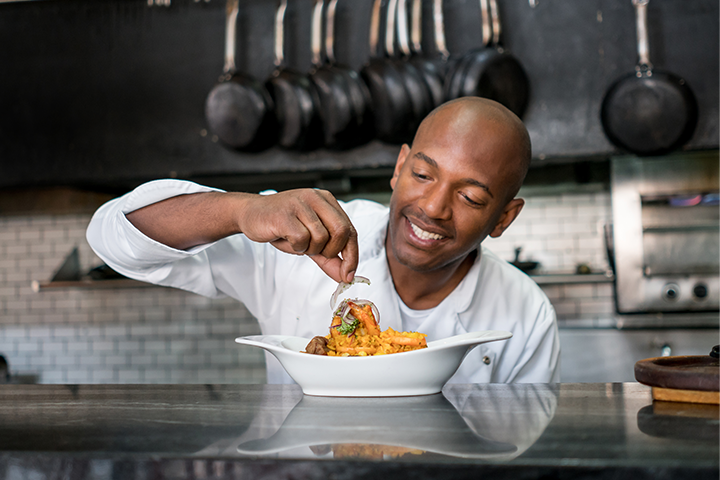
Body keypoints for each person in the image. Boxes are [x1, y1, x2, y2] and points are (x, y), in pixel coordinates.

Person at [86, 97, 560, 384]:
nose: (434, 207)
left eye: (472, 197)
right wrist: (242, 209)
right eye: (422, 174)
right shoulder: (301, 238)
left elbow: (516, 448)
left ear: (503, 218)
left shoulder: (526, 313)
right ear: (399, 168)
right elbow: (113, 235)